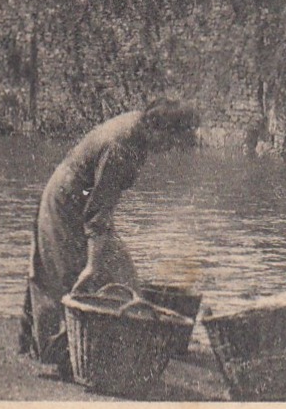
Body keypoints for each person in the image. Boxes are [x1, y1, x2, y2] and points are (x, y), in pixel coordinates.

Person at [19, 97, 200, 373]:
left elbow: (100, 207)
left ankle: (122, 343)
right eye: (171, 141)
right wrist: (93, 264)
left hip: (80, 199)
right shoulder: (124, 146)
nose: (170, 149)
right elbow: (97, 213)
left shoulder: (137, 130)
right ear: (158, 128)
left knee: (123, 274)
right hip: (65, 202)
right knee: (61, 275)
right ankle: (57, 354)